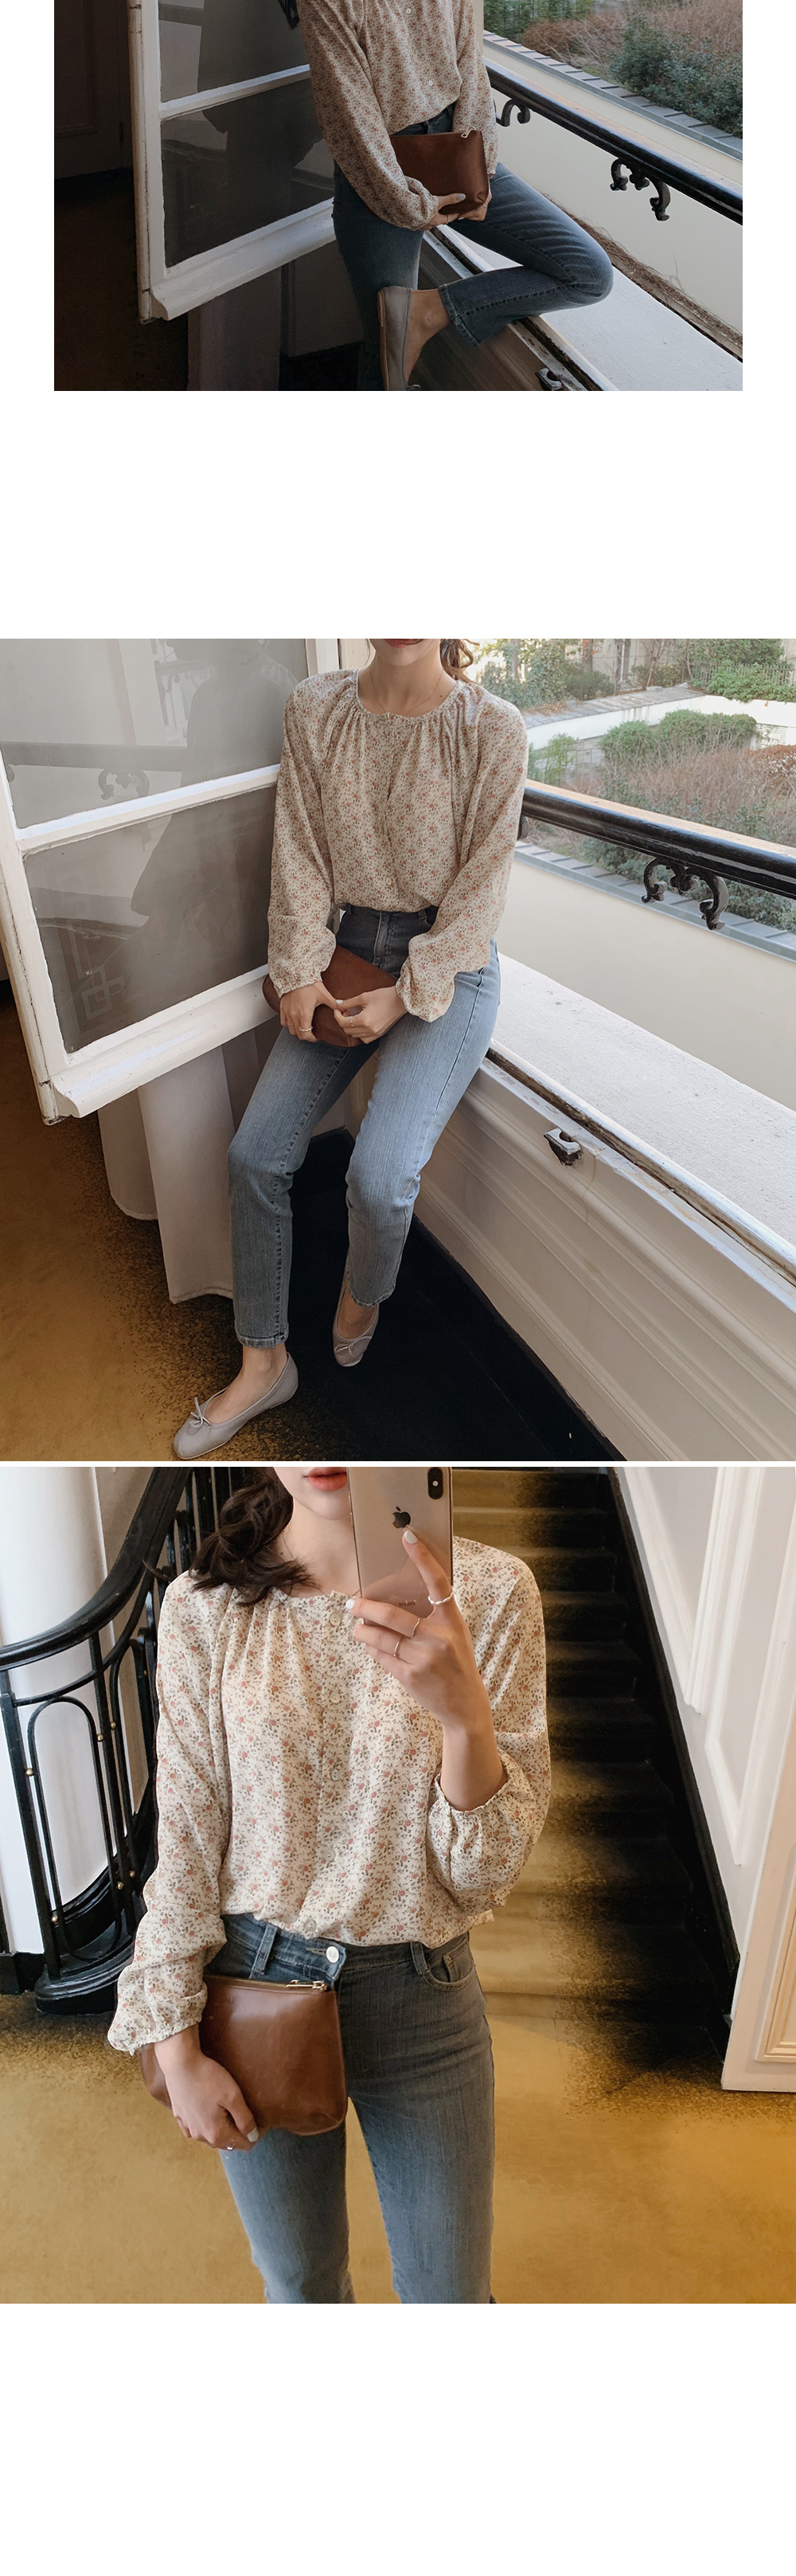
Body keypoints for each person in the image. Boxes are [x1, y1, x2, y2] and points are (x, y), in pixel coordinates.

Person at [107, 1459, 551, 2308]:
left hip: (422, 1996)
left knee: (451, 2300)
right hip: (253, 1983)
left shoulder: (493, 1594)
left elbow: (479, 1873)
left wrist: (466, 1719)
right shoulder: (209, 1605)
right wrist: (173, 2041)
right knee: (300, 2288)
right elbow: (187, 1838)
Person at [174, 639, 528, 1452]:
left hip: (450, 967)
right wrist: (298, 972)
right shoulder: (315, 707)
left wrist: (407, 995)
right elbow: (297, 848)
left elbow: (483, 889)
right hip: (346, 950)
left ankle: (362, 1294)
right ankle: (264, 1362)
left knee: (379, 1177)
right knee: (254, 1157)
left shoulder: (492, 727)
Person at [276, 0, 613, 389]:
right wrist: (406, 202)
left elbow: (469, 66)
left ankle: (430, 311)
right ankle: (404, 331)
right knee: (386, 369)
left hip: (455, 148)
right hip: (379, 175)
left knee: (588, 272)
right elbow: (349, 113)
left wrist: (476, 168)